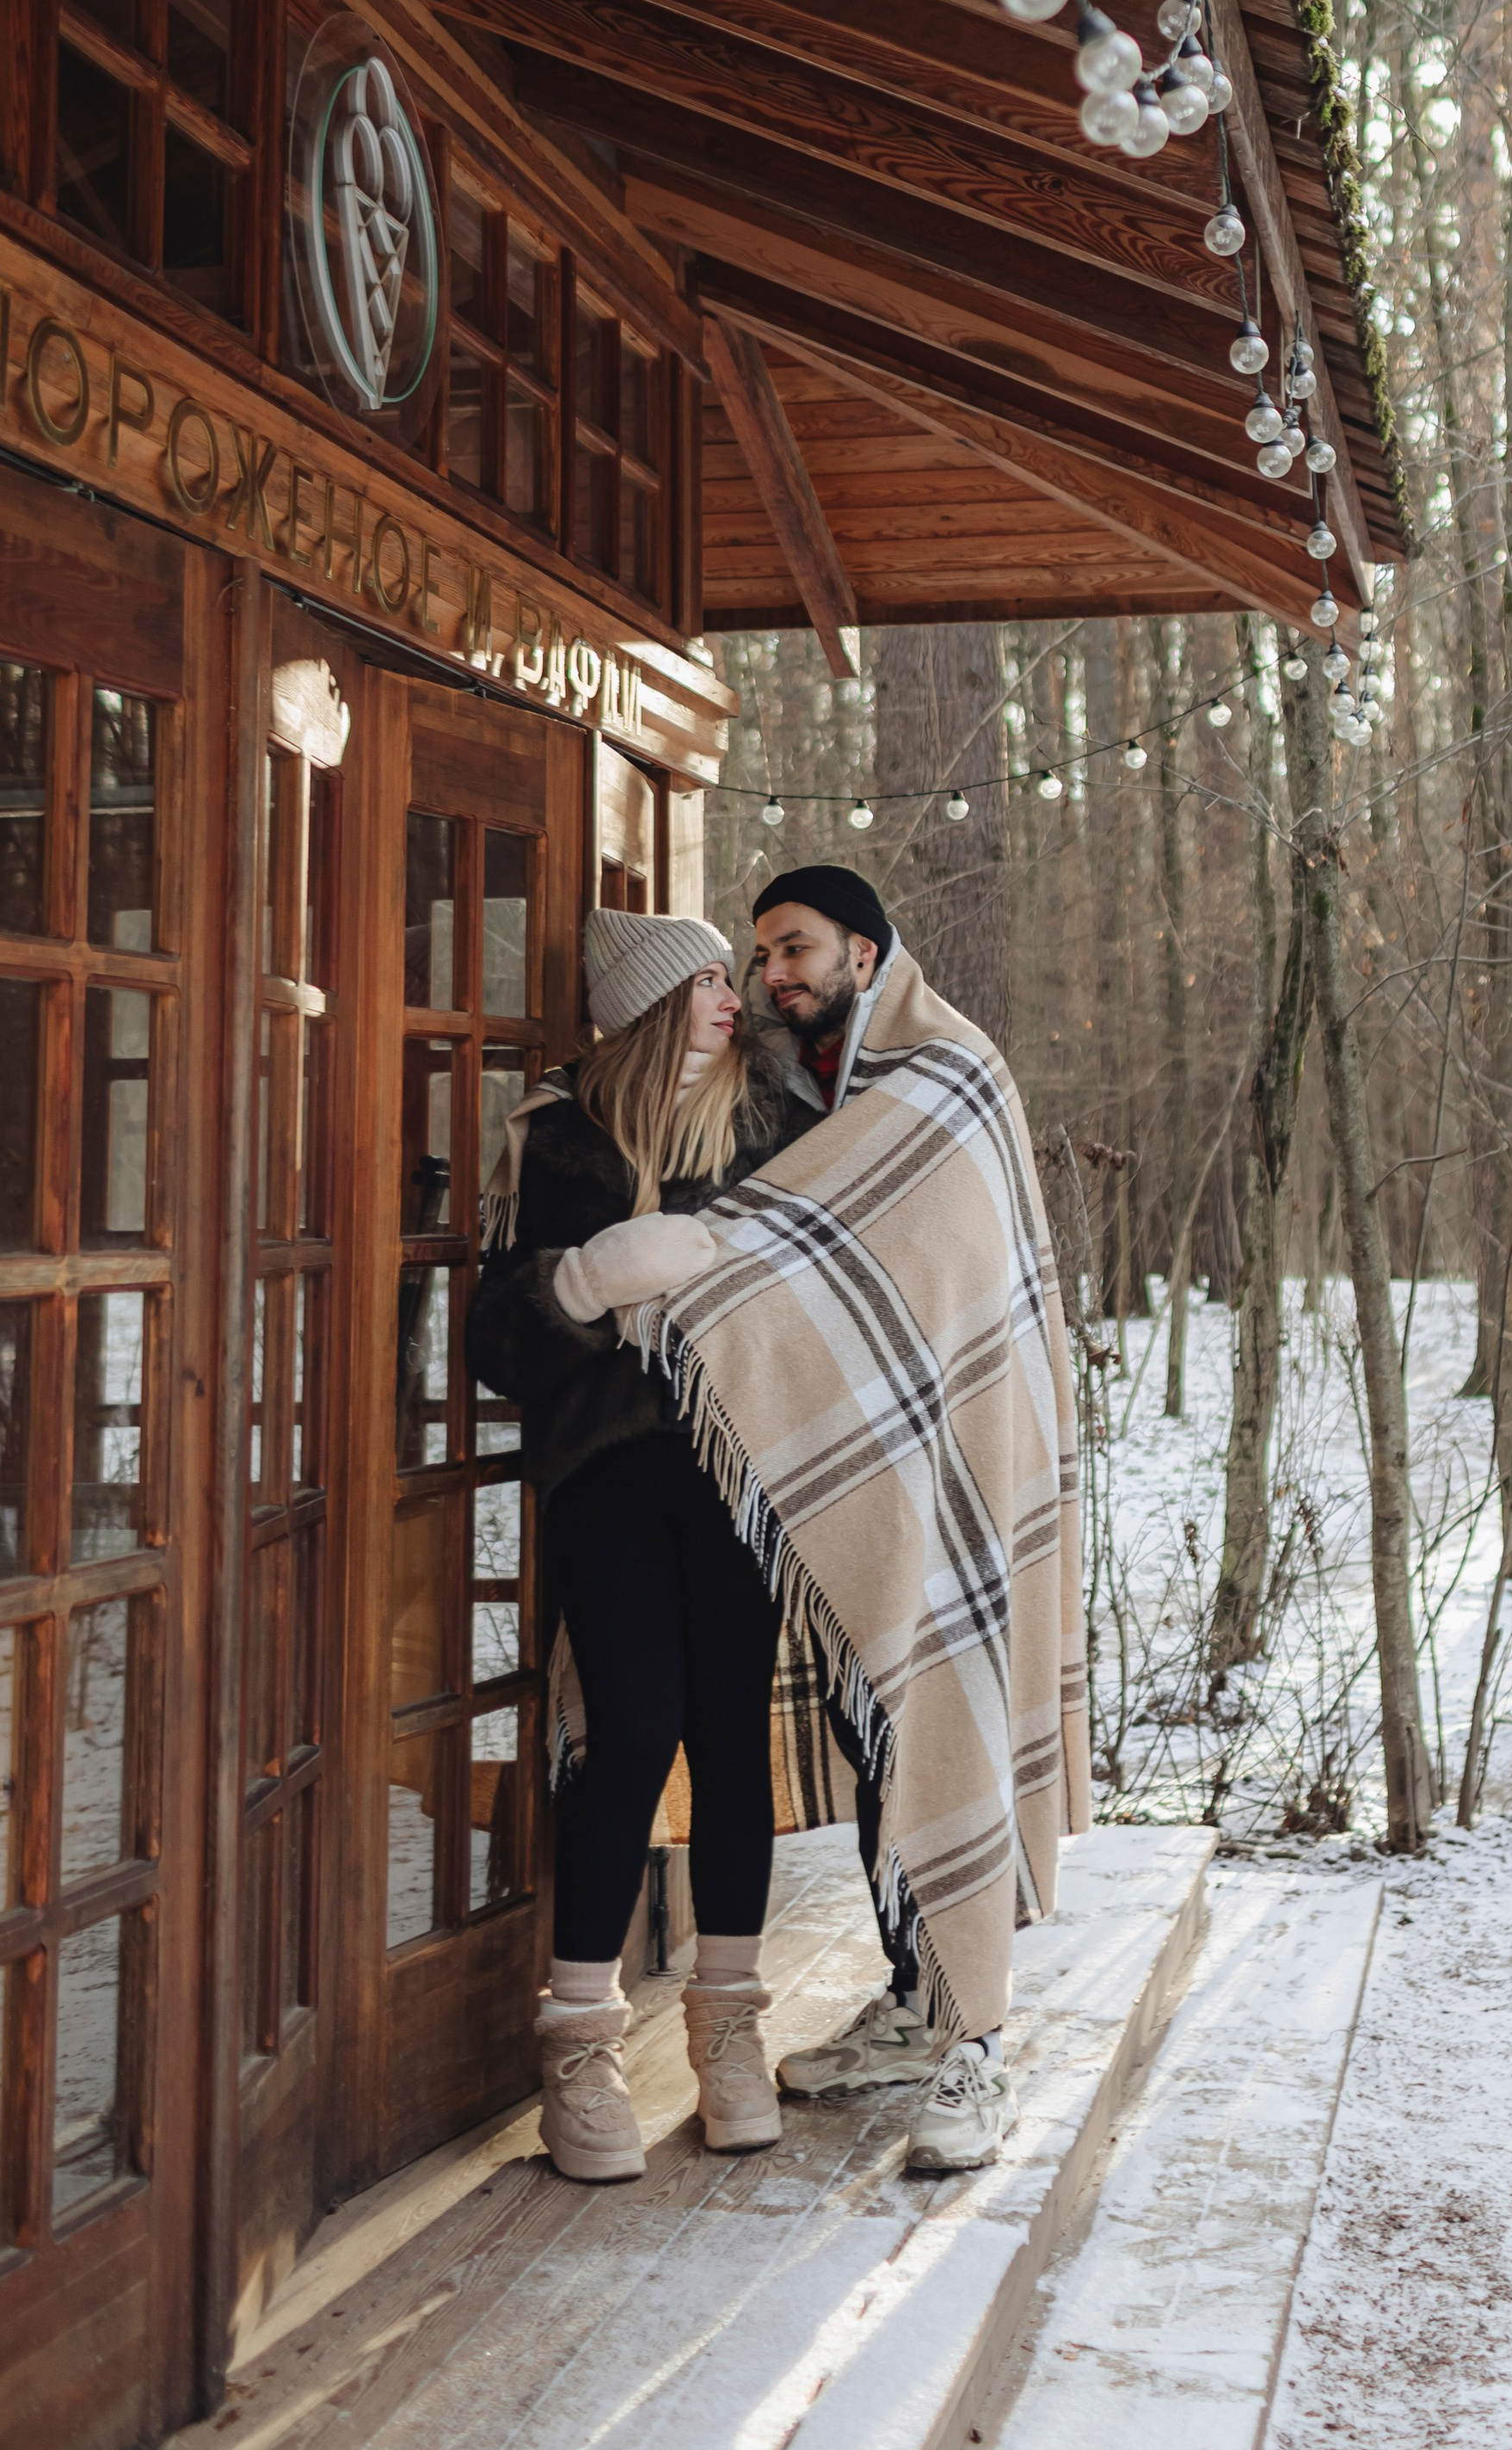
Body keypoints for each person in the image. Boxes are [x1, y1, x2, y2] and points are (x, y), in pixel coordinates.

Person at [553, 864, 1089, 2181]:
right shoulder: (775, 1100)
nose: (767, 982)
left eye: (789, 952)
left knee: (905, 1721)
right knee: (825, 1726)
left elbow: (896, 1271)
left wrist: (695, 1266)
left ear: (865, 947)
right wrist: (592, 1281)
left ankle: (952, 2036)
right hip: (760, 1477)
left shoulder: (916, 1088)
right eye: (752, 961)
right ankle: (900, 2005)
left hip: (911, 1463)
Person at [466, 909, 802, 2182]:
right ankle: (580, 2048)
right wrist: (583, 1283)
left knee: (729, 1743)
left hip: (740, 1474)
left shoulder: (776, 1124)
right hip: (608, 1478)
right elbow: (495, 1344)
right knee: (629, 1734)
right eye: (708, 980)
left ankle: (730, 2031)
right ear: (656, 1007)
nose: (733, 998)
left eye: (732, 977)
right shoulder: (558, 1140)